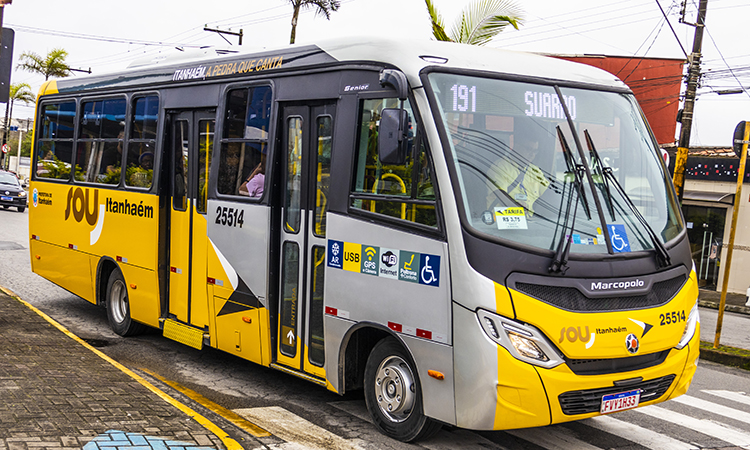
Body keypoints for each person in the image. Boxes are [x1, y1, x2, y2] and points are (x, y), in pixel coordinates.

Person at [487, 117, 550, 214]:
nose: (532, 154)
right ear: (516, 146)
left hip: (532, 223)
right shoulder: (500, 167)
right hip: (503, 222)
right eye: (528, 149)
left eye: (535, 151)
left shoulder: (535, 171)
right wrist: (517, 206)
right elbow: (500, 195)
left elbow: (549, 195)